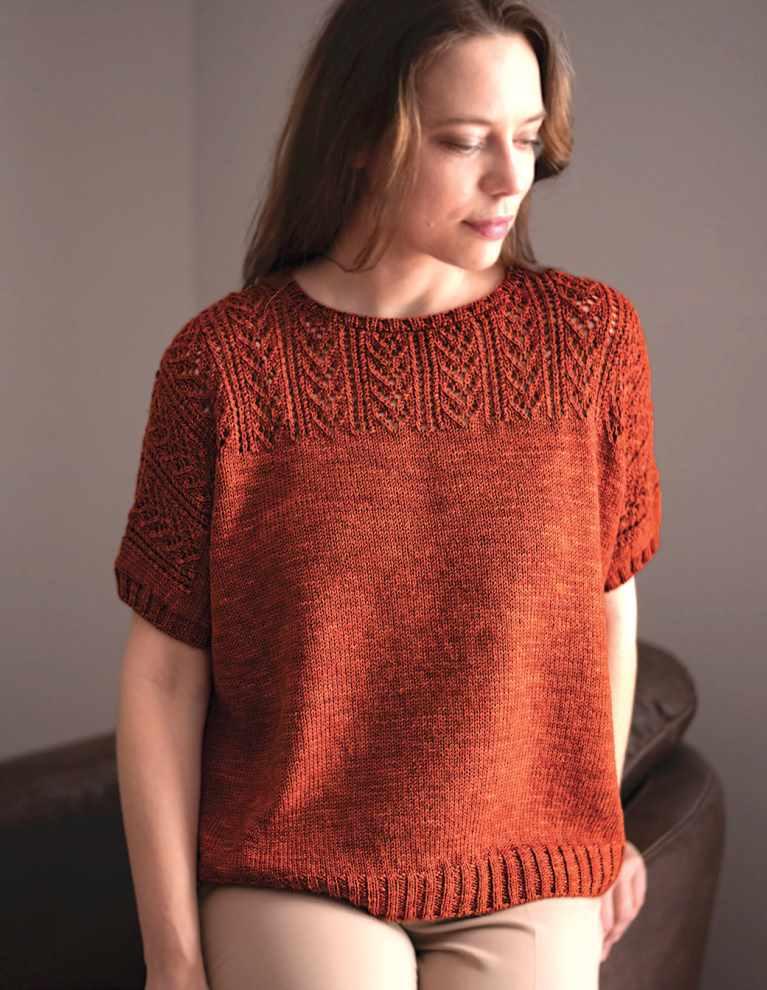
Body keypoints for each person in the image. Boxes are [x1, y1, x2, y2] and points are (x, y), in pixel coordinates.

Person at [113, 1, 662, 988]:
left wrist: (597, 825)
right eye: (463, 141)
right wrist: (172, 960)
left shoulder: (589, 342)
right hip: (295, 868)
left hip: (522, 864)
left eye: (526, 138)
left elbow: (605, 608)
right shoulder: (225, 367)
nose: (509, 179)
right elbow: (163, 679)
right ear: (362, 138)